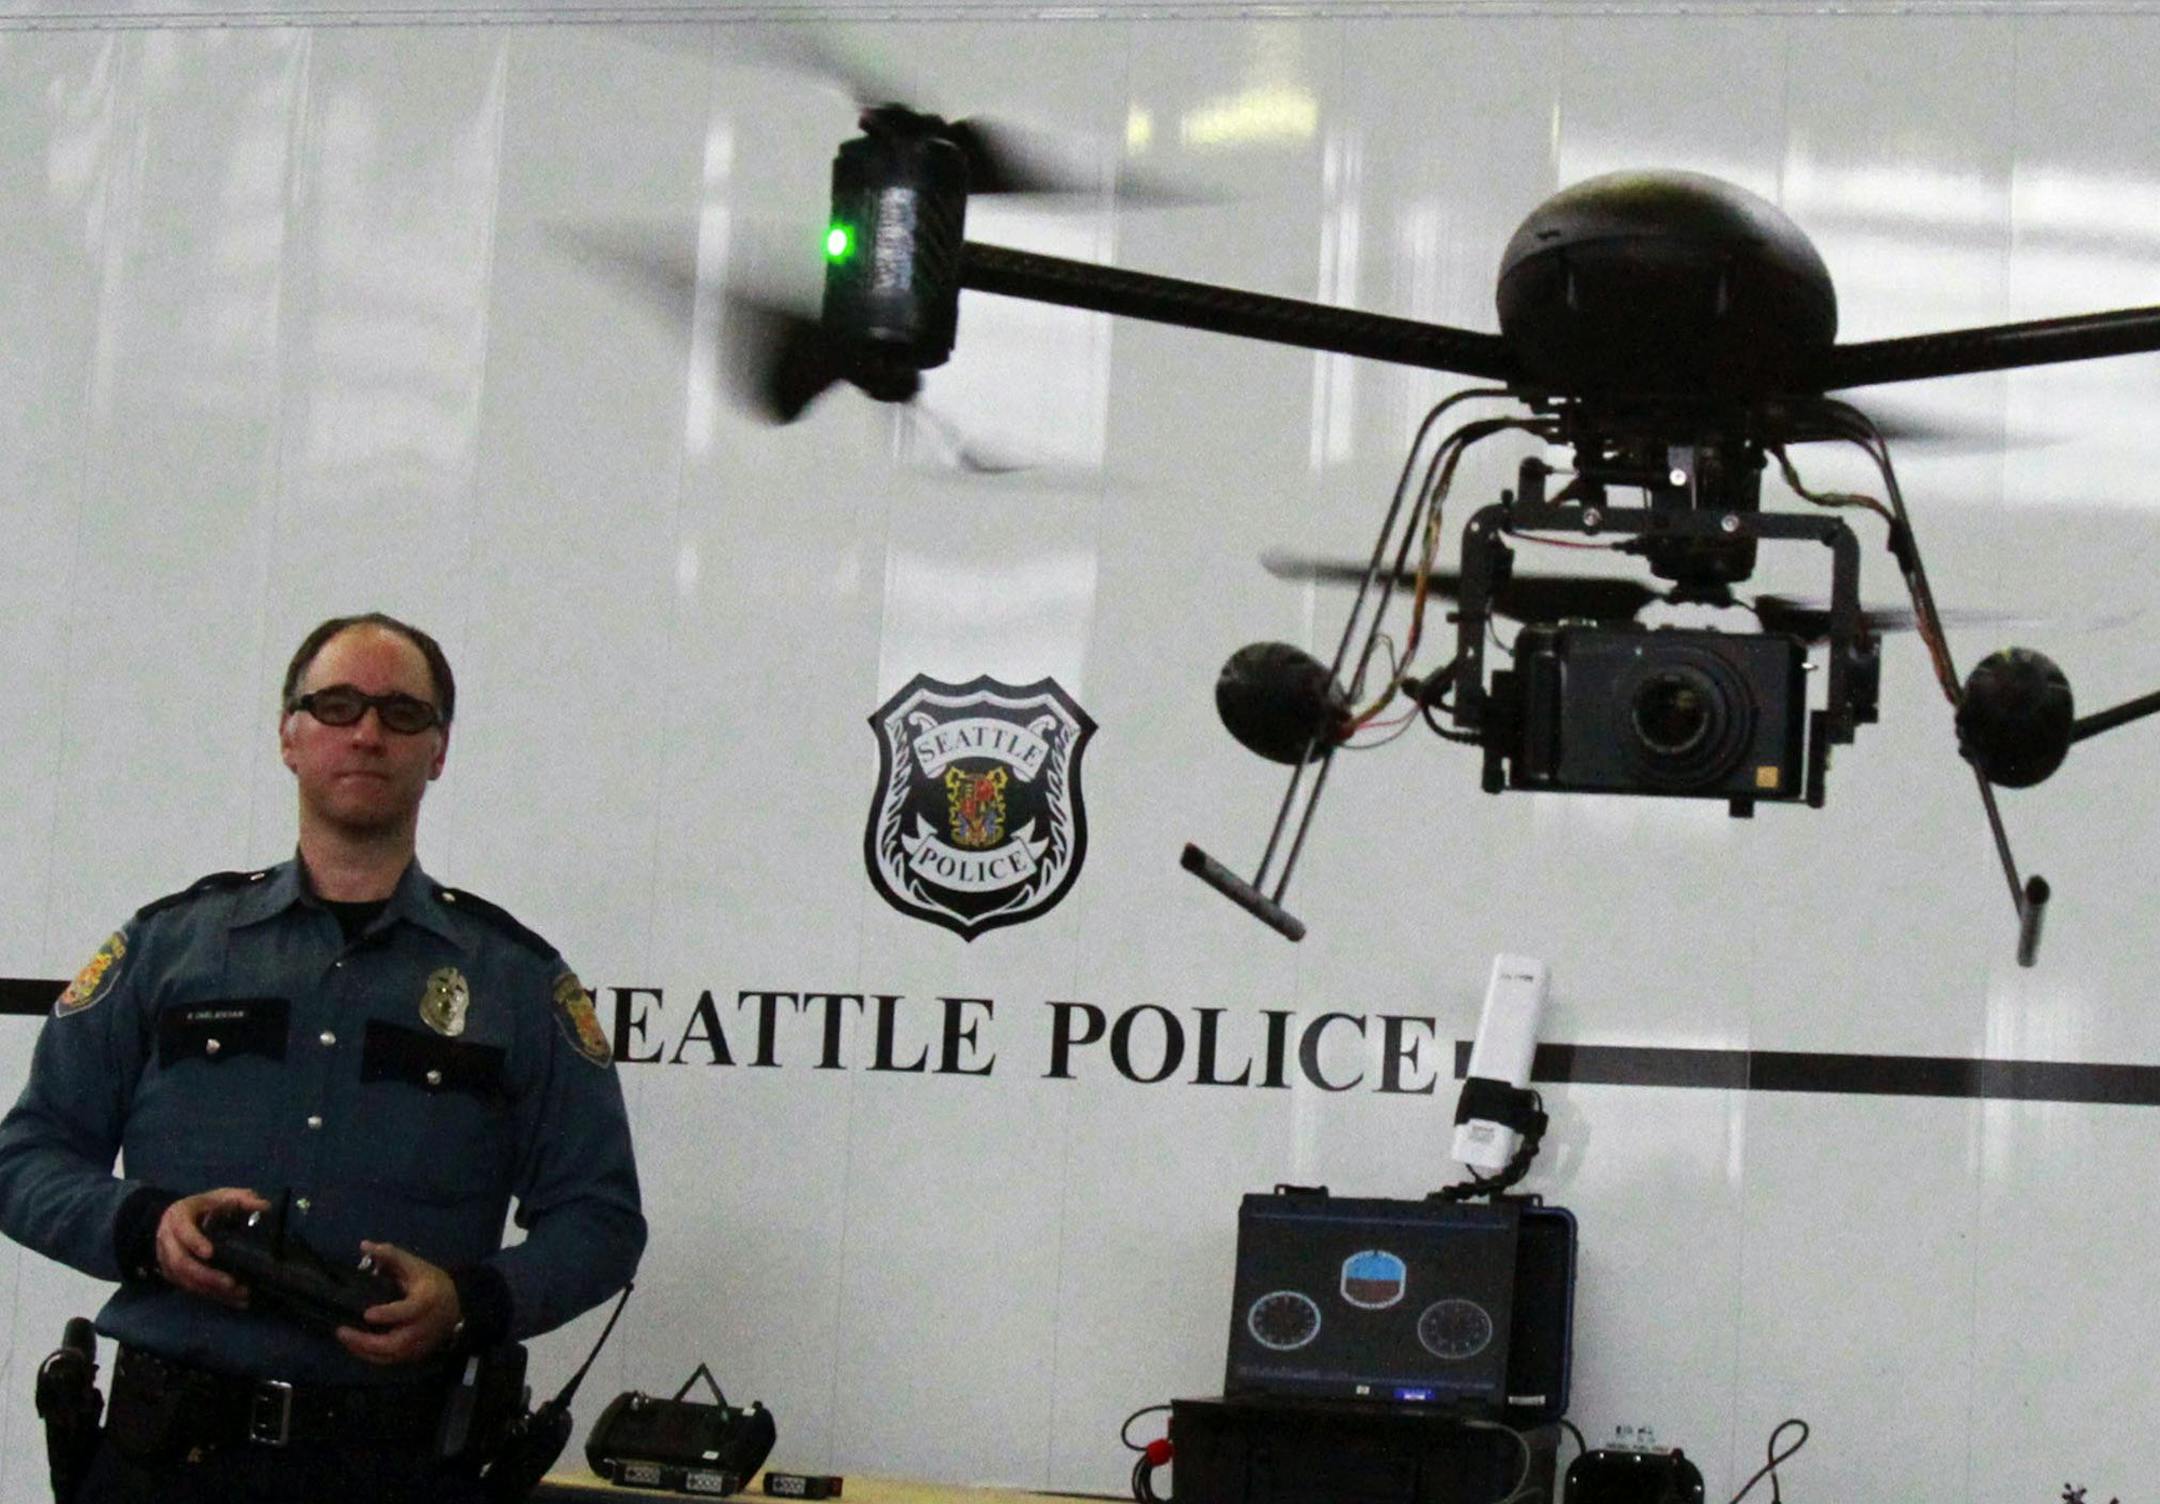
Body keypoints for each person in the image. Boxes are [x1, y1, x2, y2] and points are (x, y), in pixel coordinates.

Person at [0, 612, 645, 1503]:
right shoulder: (167, 949)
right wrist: (146, 1228)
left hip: (398, 1466)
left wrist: (470, 1303)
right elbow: (24, 1159)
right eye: (337, 706)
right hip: (166, 1463)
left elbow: (601, 1222)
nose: (368, 733)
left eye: (402, 714)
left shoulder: (518, 984)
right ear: (288, 736)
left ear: (439, 752)